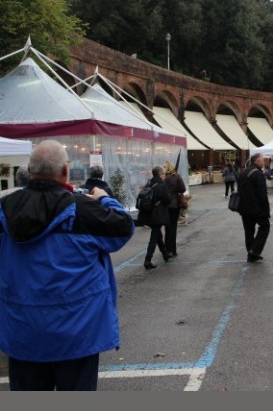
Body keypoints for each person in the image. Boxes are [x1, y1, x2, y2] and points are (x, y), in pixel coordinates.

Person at [0, 140, 134, 391]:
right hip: (77, 332)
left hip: (22, 331)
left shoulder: (5, 209)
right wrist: (105, 199)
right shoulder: (84, 210)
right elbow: (124, 226)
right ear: (65, 170)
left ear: (29, 169)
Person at [136, 165, 171, 269]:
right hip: (157, 215)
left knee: (157, 234)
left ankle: (165, 254)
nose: (165, 176)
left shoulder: (149, 183)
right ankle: (148, 260)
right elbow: (167, 200)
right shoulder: (161, 185)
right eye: (164, 174)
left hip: (147, 214)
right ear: (160, 174)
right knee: (154, 237)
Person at [238, 153, 270, 263]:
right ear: (256, 161)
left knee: (249, 231)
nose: (264, 162)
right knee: (265, 226)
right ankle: (254, 251)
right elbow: (262, 195)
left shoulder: (243, 173)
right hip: (256, 209)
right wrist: (266, 211)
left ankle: (251, 254)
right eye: (262, 160)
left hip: (244, 208)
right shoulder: (258, 174)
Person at [164, 161, 187, 258]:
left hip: (165, 205)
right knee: (173, 228)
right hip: (174, 205)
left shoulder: (163, 177)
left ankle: (166, 249)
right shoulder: (177, 177)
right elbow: (182, 189)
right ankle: (172, 250)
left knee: (167, 228)